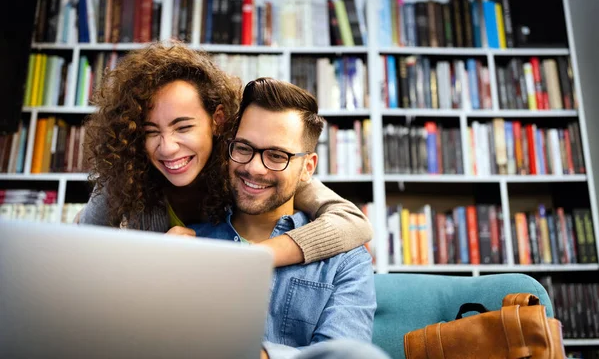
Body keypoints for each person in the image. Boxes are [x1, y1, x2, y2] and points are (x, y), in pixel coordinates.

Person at [79, 42, 372, 267]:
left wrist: (250, 259)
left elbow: (352, 222)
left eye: (183, 127)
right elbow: (80, 257)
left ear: (217, 120)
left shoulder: (244, 165)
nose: (167, 147)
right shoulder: (128, 176)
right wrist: (153, 259)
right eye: (150, 131)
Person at [187, 78, 381, 359]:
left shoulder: (345, 260)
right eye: (243, 148)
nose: (254, 168)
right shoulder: (189, 243)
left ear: (307, 168)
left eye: (277, 155)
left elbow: (345, 354)